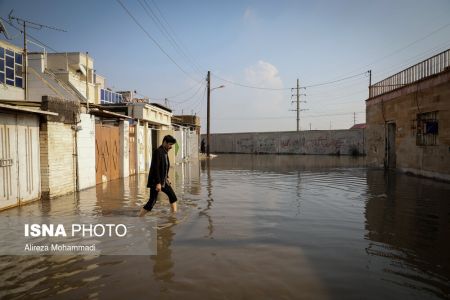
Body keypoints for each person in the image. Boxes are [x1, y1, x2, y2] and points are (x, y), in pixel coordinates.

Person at [138, 135, 178, 217]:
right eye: (170, 144)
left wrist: (167, 177)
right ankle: (139, 217)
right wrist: (158, 183)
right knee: (152, 201)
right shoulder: (158, 152)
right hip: (156, 181)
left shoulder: (165, 152)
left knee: (173, 197)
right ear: (164, 142)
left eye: (171, 145)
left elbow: (164, 167)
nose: (171, 147)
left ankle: (174, 217)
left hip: (163, 181)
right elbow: (155, 168)